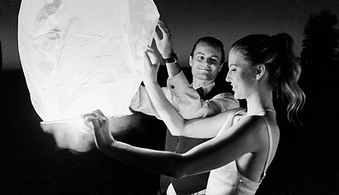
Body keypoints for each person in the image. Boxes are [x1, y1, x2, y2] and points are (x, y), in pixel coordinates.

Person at [84, 33, 305, 195]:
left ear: (259, 71)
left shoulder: (254, 125)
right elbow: (180, 126)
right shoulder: (240, 117)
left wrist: (109, 145)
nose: (228, 78)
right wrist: (149, 80)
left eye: (233, 69)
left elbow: (181, 166)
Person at [130, 21, 240, 195]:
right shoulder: (173, 95)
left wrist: (169, 58)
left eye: (213, 60)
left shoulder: (229, 101)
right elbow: (138, 99)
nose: (206, 63)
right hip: (165, 188)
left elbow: (195, 111)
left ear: (220, 67)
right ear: (190, 60)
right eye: (200, 57)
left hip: (199, 191)